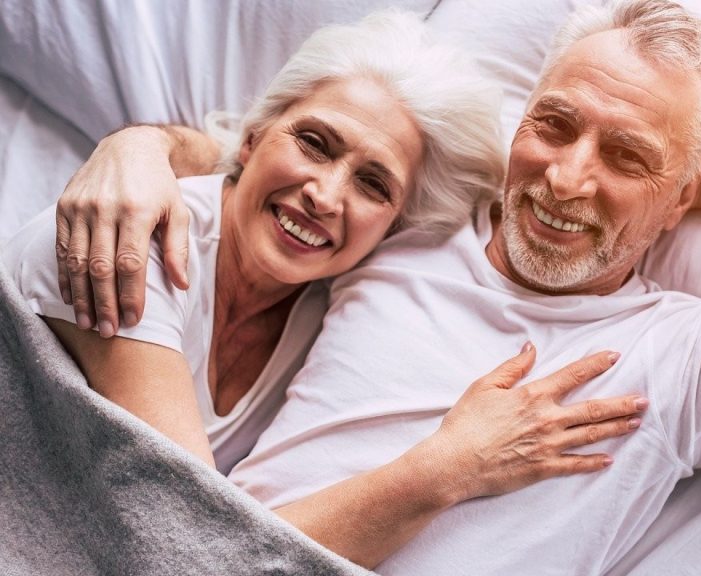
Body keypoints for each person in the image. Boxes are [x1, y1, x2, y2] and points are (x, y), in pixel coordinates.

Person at [53, 0, 701, 573]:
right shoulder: (412, 225)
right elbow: (280, 157)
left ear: (680, 201)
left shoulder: (677, 358)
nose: (566, 178)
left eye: (623, 156)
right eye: (554, 125)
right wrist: (138, 144)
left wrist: (693, 163)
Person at [2, 11, 652, 570]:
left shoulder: (328, 303)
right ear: (255, 137)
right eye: (313, 143)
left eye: (374, 185)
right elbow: (192, 544)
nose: (325, 194)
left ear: (393, 226)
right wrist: (452, 467)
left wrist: (670, 174)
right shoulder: (135, 236)